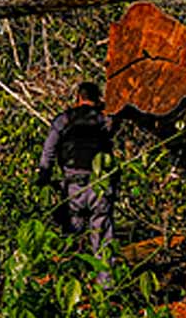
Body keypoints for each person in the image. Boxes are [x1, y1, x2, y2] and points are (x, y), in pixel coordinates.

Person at [37, 82, 118, 267]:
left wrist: (44, 177)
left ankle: (74, 283)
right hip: (99, 186)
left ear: (78, 98)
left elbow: (48, 151)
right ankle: (106, 288)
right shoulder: (103, 120)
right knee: (103, 239)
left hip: (73, 186)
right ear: (98, 99)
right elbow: (112, 129)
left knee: (72, 240)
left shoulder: (64, 120)